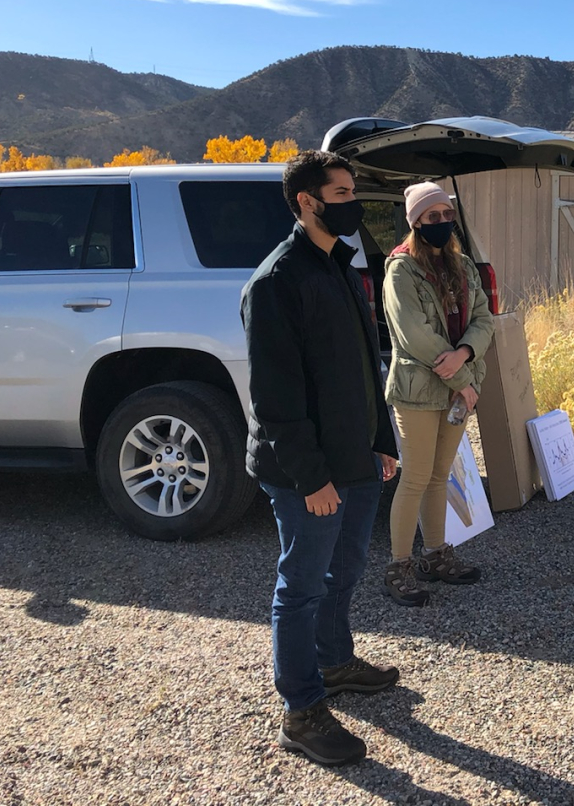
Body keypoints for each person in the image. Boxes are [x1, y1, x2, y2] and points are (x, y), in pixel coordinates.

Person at [241, 150, 401, 767]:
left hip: (355, 459)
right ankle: (302, 711)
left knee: (347, 568)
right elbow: (276, 400)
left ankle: (334, 664)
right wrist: (313, 478)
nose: (352, 203)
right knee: (301, 586)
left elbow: (366, 368)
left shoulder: (337, 264)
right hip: (307, 472)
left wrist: (382, 441)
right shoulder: (277, 281)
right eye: (341, 193)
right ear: (308, 202)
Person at [380, 182, 496, 608]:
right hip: (419, 388)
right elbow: (414, 335)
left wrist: (465, 354)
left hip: (458, 383)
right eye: (432, 217)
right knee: (414, 477)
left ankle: (435, 554)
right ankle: (398, 566)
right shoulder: (401, 270)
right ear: (415, 222)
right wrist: (462, 380)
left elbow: (484, 317)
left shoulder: (462, 265)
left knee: (438, 476)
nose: (442, 223)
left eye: (447, 215)